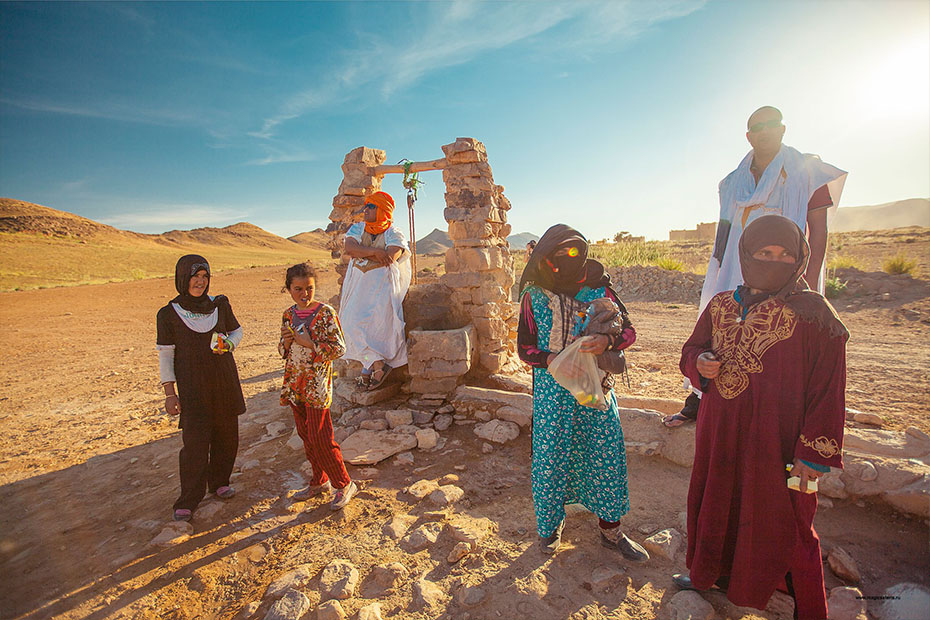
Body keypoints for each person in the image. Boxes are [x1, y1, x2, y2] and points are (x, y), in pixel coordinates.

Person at [674, 215, 848, 619]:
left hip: (781, 442)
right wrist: (699, 362)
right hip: (721, 433)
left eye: (786, 254)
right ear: (746, 255)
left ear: (800, 258)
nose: (775, 260)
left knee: (788, 519)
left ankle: (807, 605)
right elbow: (690, 350)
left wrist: (813, 453)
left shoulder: (816, 316)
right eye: (765, 253)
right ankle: (710, 575)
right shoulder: (720, 306)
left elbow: (829, 389)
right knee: (718, 502)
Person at [665, 105, 847, 427]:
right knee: (717, 332)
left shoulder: (808, 173)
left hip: (785, 271)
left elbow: (818, 233)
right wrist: (719, 273)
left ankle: (785, 415)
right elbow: (724, 233)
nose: (765, 131)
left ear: (782, 129)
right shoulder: (732, 182)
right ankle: (699, 398)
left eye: (771, 124)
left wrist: (807, 278)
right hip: (736, 269)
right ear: (749, 136)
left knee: (782, 342)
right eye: (757, 127)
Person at [517, 224, 648, 561]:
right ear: (544, 257)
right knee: (552, 459)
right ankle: (549, 529)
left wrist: (607, 341)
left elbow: (629, 331)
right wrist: (554, 360)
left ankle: (610, 530)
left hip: (596, 391)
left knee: (604, 452)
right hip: (553, 395)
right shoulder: (534, 296)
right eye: (557, 254)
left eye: (573, 252)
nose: (566, 259)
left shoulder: (599, 289)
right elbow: (524, 348)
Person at [156, 255, 246, 522]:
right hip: (193, 387)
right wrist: (170, 393)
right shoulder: (169, 314)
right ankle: (188, 499)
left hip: (224, 381)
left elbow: (237, 332)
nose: (200, 282)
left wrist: (228, 344)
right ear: (183, 278)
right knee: (195, 443)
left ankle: (220, 481)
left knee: (227, 435)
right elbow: (165, 354)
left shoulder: (219, 305)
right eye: (195, 276)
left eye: (205, 277)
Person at [279, 262, 357, 510]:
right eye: (298, 289)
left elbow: (339, 348)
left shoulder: (325, 313)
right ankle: (318, 481)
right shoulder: (289, 314)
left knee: (321, 438)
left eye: (309, 288)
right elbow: (283, 350)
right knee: (306, 437)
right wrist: (288, 343)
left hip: (317, 387)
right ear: (289, 289)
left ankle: (344, 484)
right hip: (295, 386)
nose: (304, 294)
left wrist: (309, 343)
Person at [339, 191, 411, 390]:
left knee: (379, 326)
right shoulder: (357, 228)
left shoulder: (394, 232)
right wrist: (375, 251)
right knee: (350, 324)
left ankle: (370, 366)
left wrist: (366, 252)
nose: (366, 210)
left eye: (371, 207)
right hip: (359, 288)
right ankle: (378, 364)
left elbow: (391, 255)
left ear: (382, 210)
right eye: (366, 206)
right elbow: (350, 249)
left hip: (382, 289)